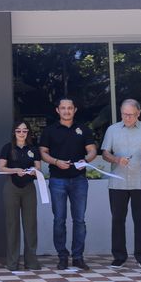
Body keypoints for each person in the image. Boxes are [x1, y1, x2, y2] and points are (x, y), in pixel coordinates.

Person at [101, 99, 141, 270]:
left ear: (138, 113)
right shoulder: (112, 130)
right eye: (124, 114)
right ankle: (119, 256)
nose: (127, 118)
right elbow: (105, 153)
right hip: (117, 182)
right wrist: (116, 159)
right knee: (117, 220)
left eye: (130, 115)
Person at [39, 98, 97, 271]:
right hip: (57, 179)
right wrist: (56, 162)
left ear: (75, 109)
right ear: (57, 110)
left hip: (79, 179)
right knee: (59, 220)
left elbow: (92, 150)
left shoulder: (83, 129)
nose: (66, 111)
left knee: (79, 220)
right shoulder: (49, 130)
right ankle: (62, 257)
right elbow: (43, 152)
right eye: (63, 108)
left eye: (69, 108)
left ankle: (78, 257)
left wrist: (85, 160)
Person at [0, 120, 42, 271]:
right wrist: (15, 170)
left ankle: (31, 261)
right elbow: (1, 168)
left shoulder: (33, 149)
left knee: (30, 225)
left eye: (24, 131)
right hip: (11, 187)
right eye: (18, 131)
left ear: (28, 132)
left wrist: (33, 171)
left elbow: (38, 169)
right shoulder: (7, 148)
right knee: (12, 225)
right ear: (14, 132)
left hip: (29, 188)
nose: (22, 133)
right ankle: (12, 262)